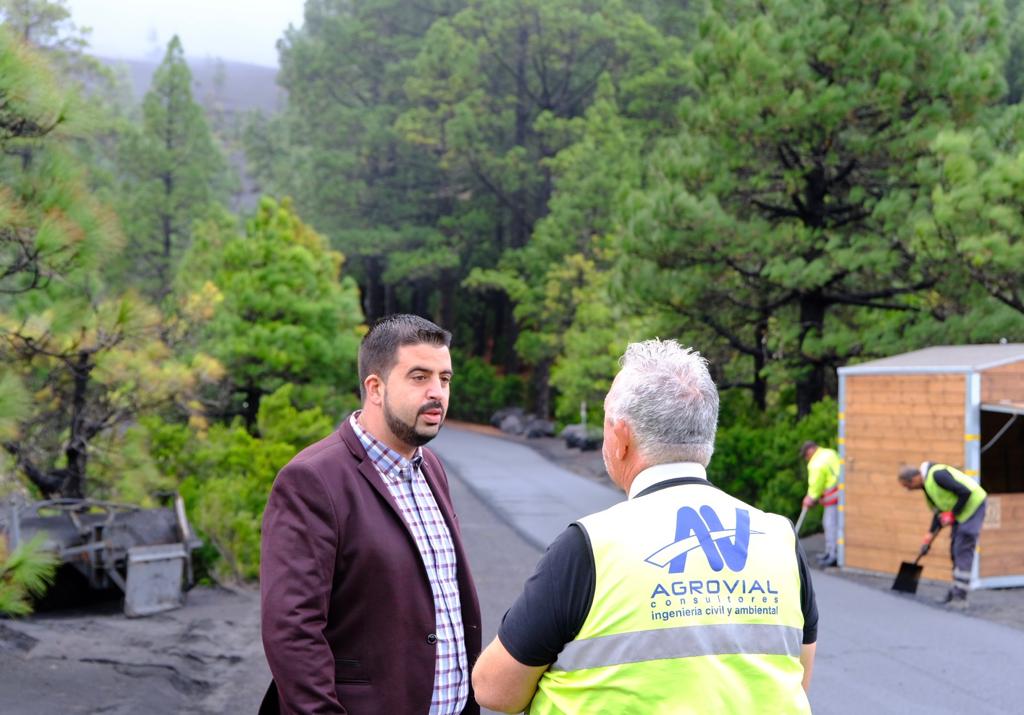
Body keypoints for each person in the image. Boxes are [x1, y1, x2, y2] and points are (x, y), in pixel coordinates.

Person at [472, 339, 817, 714]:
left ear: (620, 437)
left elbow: (495, 689)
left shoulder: (590, 547)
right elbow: (795, 677)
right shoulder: (780, 538)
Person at [259, 314, 481, 715]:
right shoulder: (312, 479)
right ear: (375, 388)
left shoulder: (430, 467)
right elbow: (292, 630)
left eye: (444, 379)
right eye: (419, 377)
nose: (437, 392)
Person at [898, 462, 987, 609]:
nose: (908, 490)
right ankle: (955, 591)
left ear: (914, 478)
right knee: (954, 549)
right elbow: (939, 515)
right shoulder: (927, 488)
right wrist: (928, 539)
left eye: (907, 486)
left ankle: (960, 598)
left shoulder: (937, 475)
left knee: (963, 548)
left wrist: (952, 514)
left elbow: (965, 492)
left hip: (973, 506)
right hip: (961, 513)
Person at [800, 441, 841, 567]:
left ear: (811, 450)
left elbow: (816, 484)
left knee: (830, 524)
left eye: (806, 455)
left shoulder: (816, 463)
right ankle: (830, 551)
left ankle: (833, 555)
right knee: (834, 523)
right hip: (841, 490)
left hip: (833, 493)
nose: (807, 459)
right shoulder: (830, 452)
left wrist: (810, 498)